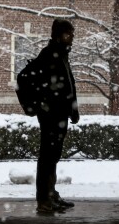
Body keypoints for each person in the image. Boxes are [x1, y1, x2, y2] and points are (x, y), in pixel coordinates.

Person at [20, 18, 80, 212]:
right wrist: (35, 106)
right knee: (47, 157)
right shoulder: (49, 55)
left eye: (72, 33)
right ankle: (44, 199)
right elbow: (23, 77)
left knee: (52, 156)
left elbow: (67, 85)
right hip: (51, 115)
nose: (71, 37)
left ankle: (50, 194)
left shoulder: (60, 54)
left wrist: (73, 110)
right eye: (68, 33)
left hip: (59, 113)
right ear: (58, 35)